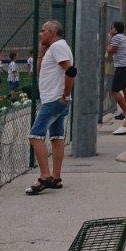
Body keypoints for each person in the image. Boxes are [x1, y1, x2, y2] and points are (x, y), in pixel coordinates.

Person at [26, 20, 74, 195]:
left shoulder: (57, 47)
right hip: (55, 99)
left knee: (35, 136)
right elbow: (40, 72)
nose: (40, 34)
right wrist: (41, 51)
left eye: (43, 30)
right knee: (56, 137)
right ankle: (56, 177)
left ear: (52, 32)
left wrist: (65, 95)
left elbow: (71, 71)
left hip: (54, 100)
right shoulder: (54, 48)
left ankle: (45, 176)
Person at [106, 21, 126, 123]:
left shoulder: (116, 38)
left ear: (115, 29)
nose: (111, 30)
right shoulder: (124, 37)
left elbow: (110, 51)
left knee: (115, 91)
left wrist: (109, 40)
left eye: (112, 28)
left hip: (121, 68)